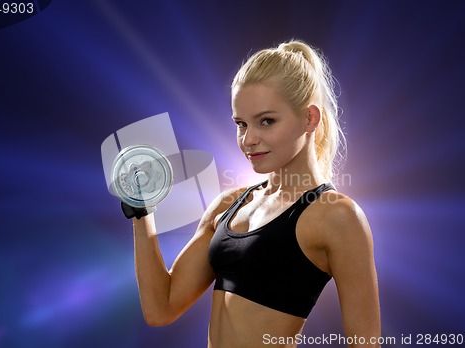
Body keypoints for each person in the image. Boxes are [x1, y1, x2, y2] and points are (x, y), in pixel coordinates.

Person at [124, 39, 381, 348]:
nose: (248, 139)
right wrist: (141, 209)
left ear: (310, 118)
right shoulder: (228, 206)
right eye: (241, 124)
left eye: (266, 121)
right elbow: (160, 308)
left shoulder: (337, 216)